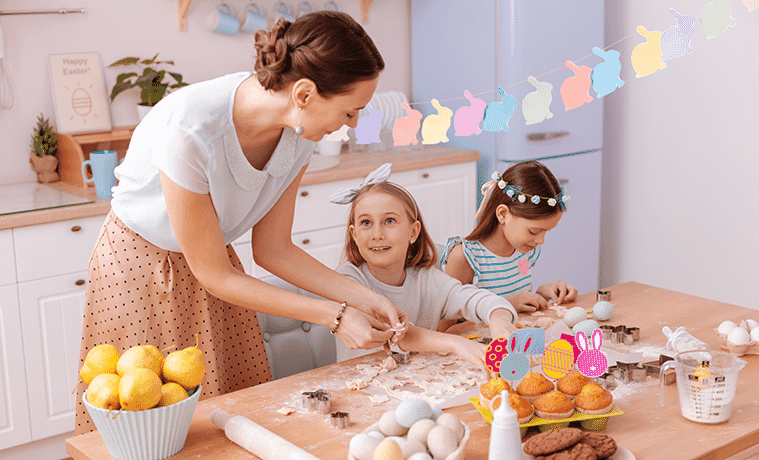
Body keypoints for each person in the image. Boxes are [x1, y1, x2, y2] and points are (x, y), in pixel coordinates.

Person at [74, 11, 409, 434]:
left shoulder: (300, 133)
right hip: (139, 268)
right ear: (304, 94)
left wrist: (362, 297)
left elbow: (273, 250)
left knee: (231, 418)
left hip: (215, 266)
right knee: (148, 417)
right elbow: (214, 272)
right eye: (350, 111)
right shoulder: (191, 130)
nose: (353, 124)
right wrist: (336, 316)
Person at [328, 163, 519, 375]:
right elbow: (397, 333)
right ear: (354, 235)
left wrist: (499, 318)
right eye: (366, 223)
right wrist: (457, 344)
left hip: (418, 383)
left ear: (413, 231)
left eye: (389, 221)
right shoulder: (347, 280)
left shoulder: (428, 279)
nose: (377, 234)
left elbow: (479, 299)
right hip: (360, 386)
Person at [442, 160, 578, 315]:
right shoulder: (466, 258)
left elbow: (520, 311)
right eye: (534, 232)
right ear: (503, 214)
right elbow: (445, 329)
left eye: (547, 232)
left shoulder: (526, 252)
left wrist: (542, 294)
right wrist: (506, 306)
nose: (541, 241)